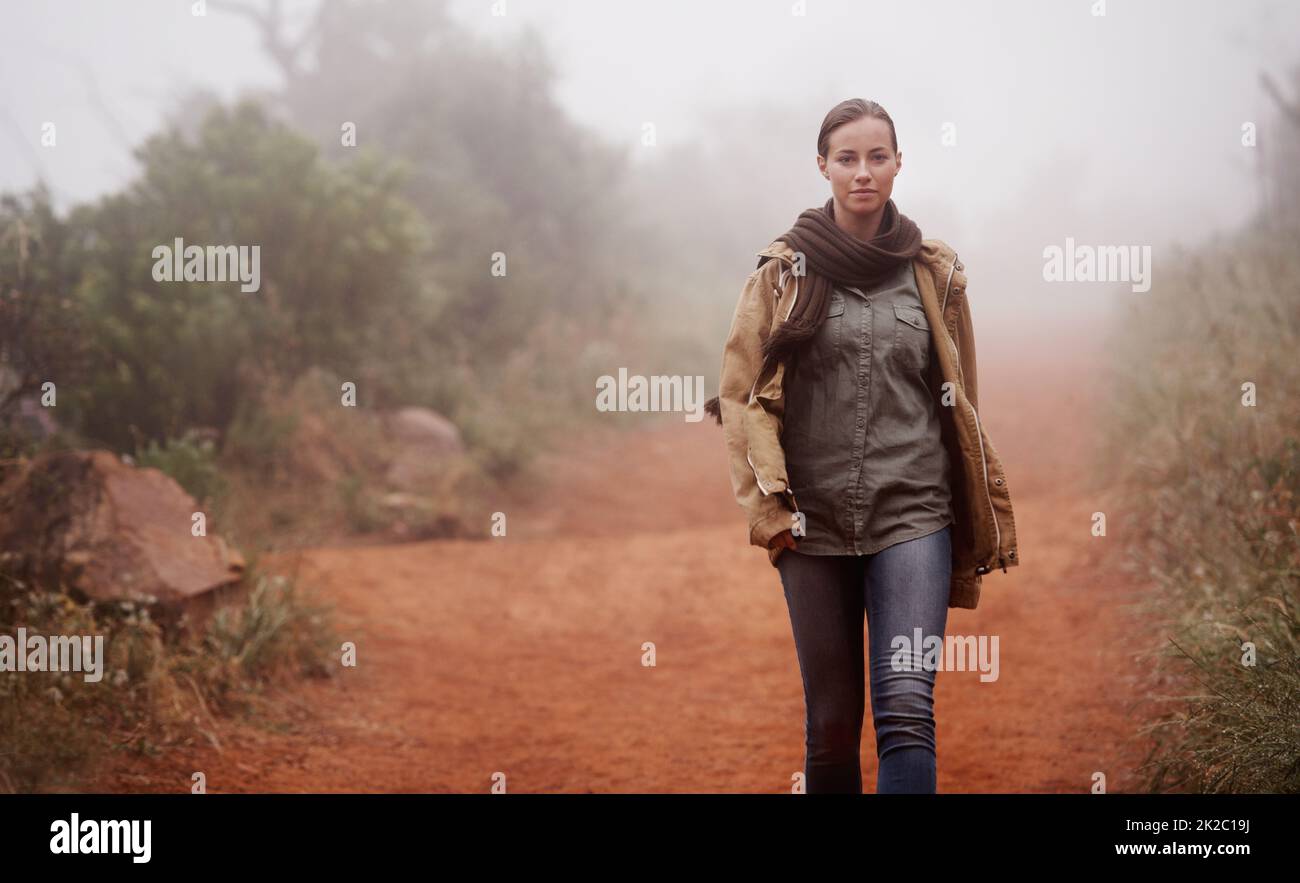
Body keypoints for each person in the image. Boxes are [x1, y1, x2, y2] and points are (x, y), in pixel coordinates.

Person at [703, 98, 1020, 793]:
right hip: (809, 523)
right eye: (847, 158)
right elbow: (742, 396)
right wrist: (769, 511)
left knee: (907, 708)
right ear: (823, 166)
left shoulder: (934, 274)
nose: (863, 172)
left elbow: (958, 402)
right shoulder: (783, 273)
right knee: (832, 723)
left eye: (878, 156)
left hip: (913, 516)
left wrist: (968, 510)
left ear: (899, 164)